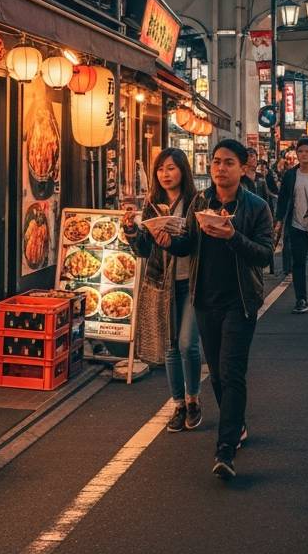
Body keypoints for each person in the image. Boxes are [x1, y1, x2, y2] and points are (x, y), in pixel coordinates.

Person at [167, 139, 274, 481]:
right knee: (215, 372)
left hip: (240, 301)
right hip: (204, 298)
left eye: (228, 162)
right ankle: (236, 423)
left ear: (243, 168)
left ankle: (225, 448)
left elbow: (265, 254)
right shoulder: (200, 202)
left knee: (232, 371)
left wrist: (232, 236)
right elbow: (186, 244)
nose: (220, 168)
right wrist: (165, 239)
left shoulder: (256, 207)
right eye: (216, 162)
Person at [122, 149, 203, 433]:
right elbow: (144, 250)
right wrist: (131, 232)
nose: (165, 174)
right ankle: (178, 405)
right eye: (160, 169)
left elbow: (196, 243)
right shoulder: (151, 205)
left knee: (187, 343)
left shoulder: (196, 202)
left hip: (192, 282)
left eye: (171, 168)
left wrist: (173, 239)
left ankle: (193, 399)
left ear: (183, 170)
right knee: (170, 345)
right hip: (161, 282)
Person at [276, 136, 308, 312]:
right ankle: (300, 298)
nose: (304, 154)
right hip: (296, 225)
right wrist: (279, 220)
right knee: (298, 262)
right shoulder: (290, 175)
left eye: (307, 152)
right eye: (301, 151)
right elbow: (283, 199)